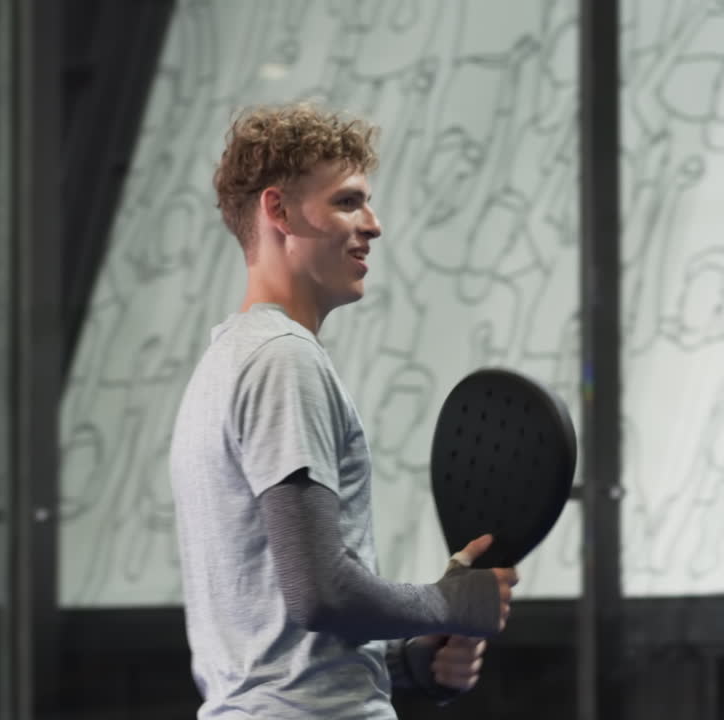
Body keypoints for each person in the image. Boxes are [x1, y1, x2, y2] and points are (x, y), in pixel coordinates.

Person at [169, 103, 519, 719]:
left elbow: (275, 639)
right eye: (348, 202)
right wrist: (450, 603)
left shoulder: (227, 361)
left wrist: (410, 664)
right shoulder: (283, 359)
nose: (374, 224)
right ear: (279, 211)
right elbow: (321, 593)